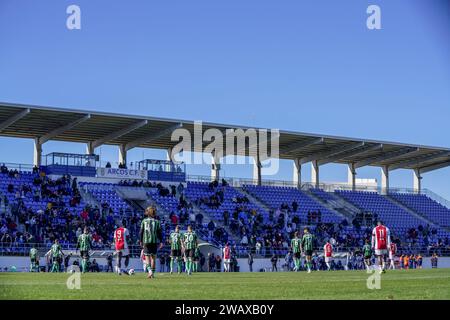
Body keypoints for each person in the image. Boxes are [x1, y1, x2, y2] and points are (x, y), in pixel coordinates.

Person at [140, 206, 163, 279]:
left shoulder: (144, 221)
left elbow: (141, 232)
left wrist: (140, 240)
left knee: (147, 257)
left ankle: (149, 271)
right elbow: (159, 233)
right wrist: (161, 241)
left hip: (146, 241)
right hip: (154, 242)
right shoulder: (157, 222)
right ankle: (152, 273)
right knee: (153, 258)